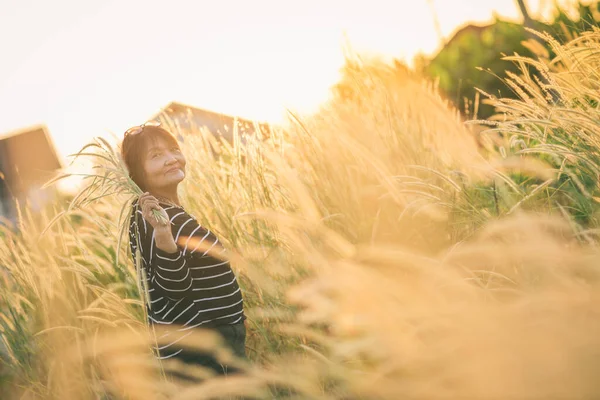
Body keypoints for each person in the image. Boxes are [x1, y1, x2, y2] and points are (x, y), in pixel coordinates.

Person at [121, 121, 246, 380]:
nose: (171, 159)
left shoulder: (149, 212)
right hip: (204, 346)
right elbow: (173, 287)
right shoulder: (159, 217)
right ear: (136, 172)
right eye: (156, 155)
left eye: (174, 149)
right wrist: (165, 237)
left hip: (198, 342)